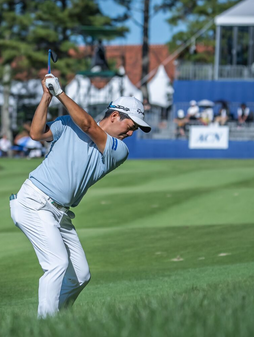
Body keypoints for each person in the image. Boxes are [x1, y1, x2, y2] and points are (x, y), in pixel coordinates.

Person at [10, 74, 150, 319]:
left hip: (61, 213)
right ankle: (46, 328)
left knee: (81, 275)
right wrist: (46, 97)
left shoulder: (119, 150)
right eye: (131, 127)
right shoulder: (67, 123)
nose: (131, 134)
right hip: (34, 201)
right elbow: (35, 133)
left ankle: (58, 320)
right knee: (56, 264)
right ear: (115, 115)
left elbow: (88, 126)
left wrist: (60, 93)